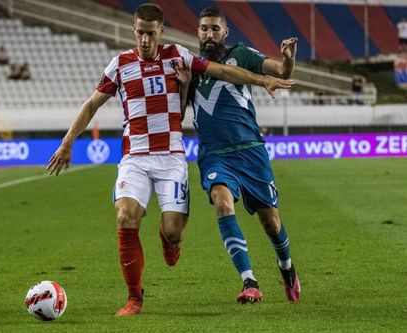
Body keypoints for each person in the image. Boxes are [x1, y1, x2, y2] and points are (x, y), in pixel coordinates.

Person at [46, 3, 293, 316]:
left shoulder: (178, 55)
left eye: (150, 34)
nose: (145, 40)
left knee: (174, 231)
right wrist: (67, 143)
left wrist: (262, 80)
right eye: (139, 33)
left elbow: (224, 71)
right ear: (134, 31)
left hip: (171, 158)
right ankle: (134, 298)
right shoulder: (119, 64)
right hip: (134, 157)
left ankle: (169, 240)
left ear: (161, 31)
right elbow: (91, 104)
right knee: (125, 216)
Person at [181, 6, 300, 304]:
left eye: (215, 29)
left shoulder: (242, 55)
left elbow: (282, 73)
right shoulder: (189, 68)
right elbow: (179, 111)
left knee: (271, 222)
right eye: (204, 28)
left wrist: (288, 59)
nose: (209, 34)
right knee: (222, 202)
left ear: (226, 32)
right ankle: (249, 280)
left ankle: (286, 266)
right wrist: (183, 85)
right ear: (198, 32)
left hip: (250, 151)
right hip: (214, 154)